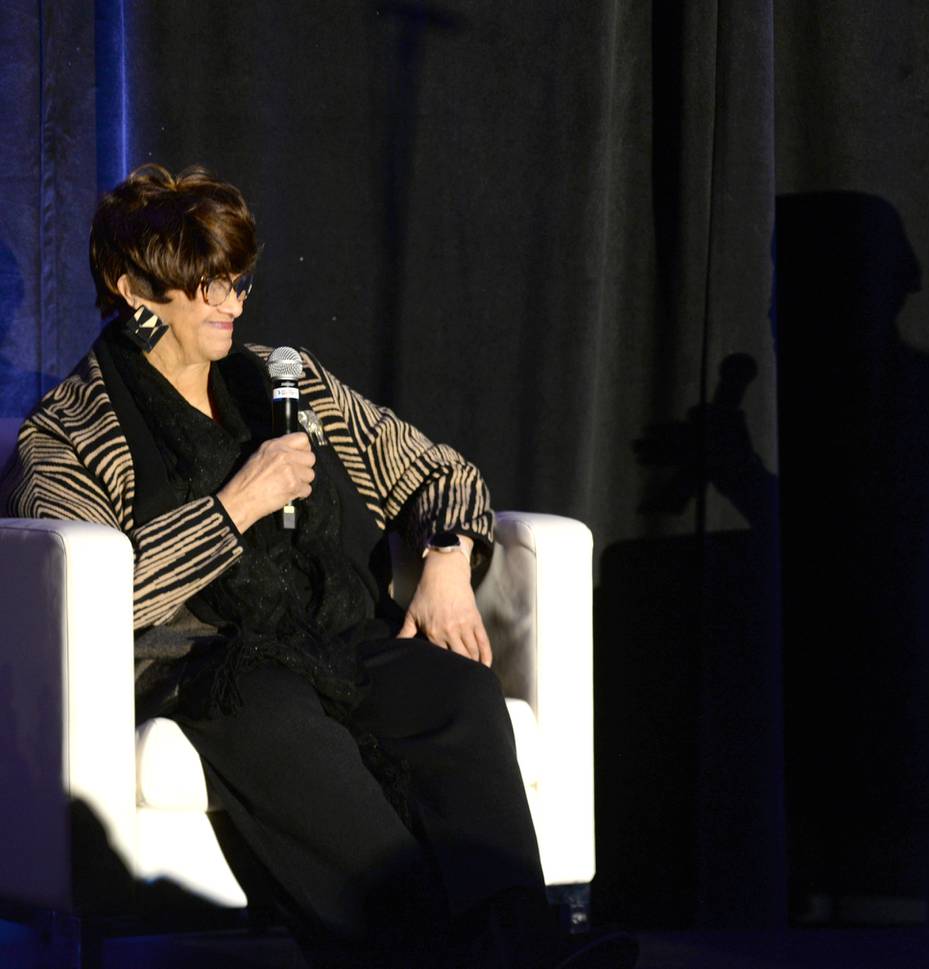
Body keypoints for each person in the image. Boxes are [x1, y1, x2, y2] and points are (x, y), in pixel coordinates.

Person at [5, 164, 633, 969]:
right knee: (275, 719)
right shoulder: (68, 431)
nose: (231, 302)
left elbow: (442, 472)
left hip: (327, 634)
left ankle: (528, 948)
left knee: (457, 691)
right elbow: (85, 603)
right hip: (203, 662)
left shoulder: (282, 379)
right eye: (204, 286)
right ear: (133, 288)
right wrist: (236, 504)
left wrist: (445, 559)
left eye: (236, 279)